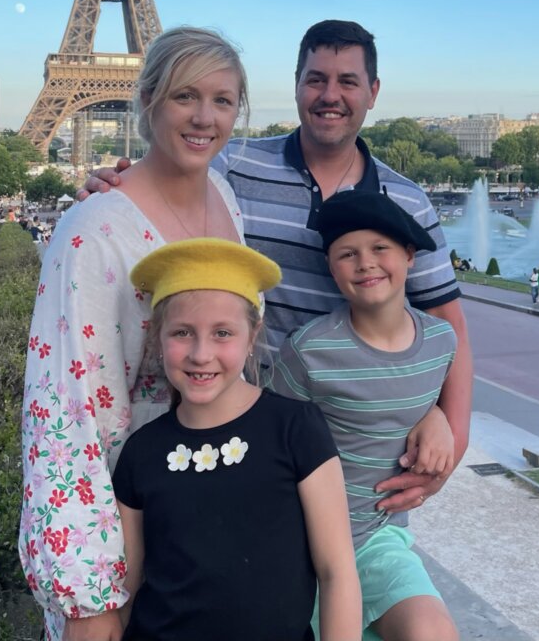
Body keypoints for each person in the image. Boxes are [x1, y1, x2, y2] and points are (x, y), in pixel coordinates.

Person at [83, 20, 473, 510]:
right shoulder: (231, 169)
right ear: (296, 85)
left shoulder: (408, 202)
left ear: (373, 92)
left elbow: (444, 327)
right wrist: (117, 187)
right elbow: (164, 181)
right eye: (316, 79)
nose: (330, 95)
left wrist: (447, 432)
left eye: (348, 81)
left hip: (353, 456)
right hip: (239, 434)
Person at [19, 26, 250, 641]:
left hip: (216, 523)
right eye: (184, 96)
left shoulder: (228, 199)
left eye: (223, 100)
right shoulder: (91, 231)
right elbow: (65, 419)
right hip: (130, 532)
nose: (204, 117)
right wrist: (91, 601)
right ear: (146, 99)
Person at [114, 238, 361, 641]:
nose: (200, 353)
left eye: (223, 333)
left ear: (252, 335)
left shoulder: (295, 429)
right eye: (182, 332)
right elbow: (127, 585)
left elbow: (336, 571)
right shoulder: (142, 452)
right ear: (158, 337)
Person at [271, 190, 458, 641]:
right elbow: (270, 439)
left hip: (379, 538)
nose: (366, 263)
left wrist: (439, 416)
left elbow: (417, 398)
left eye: (381, 249)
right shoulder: (308, 350)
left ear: (410, 256)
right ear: (331, 268)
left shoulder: (440, 341)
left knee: (433, 633)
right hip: (303, 543)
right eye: (347, 254)